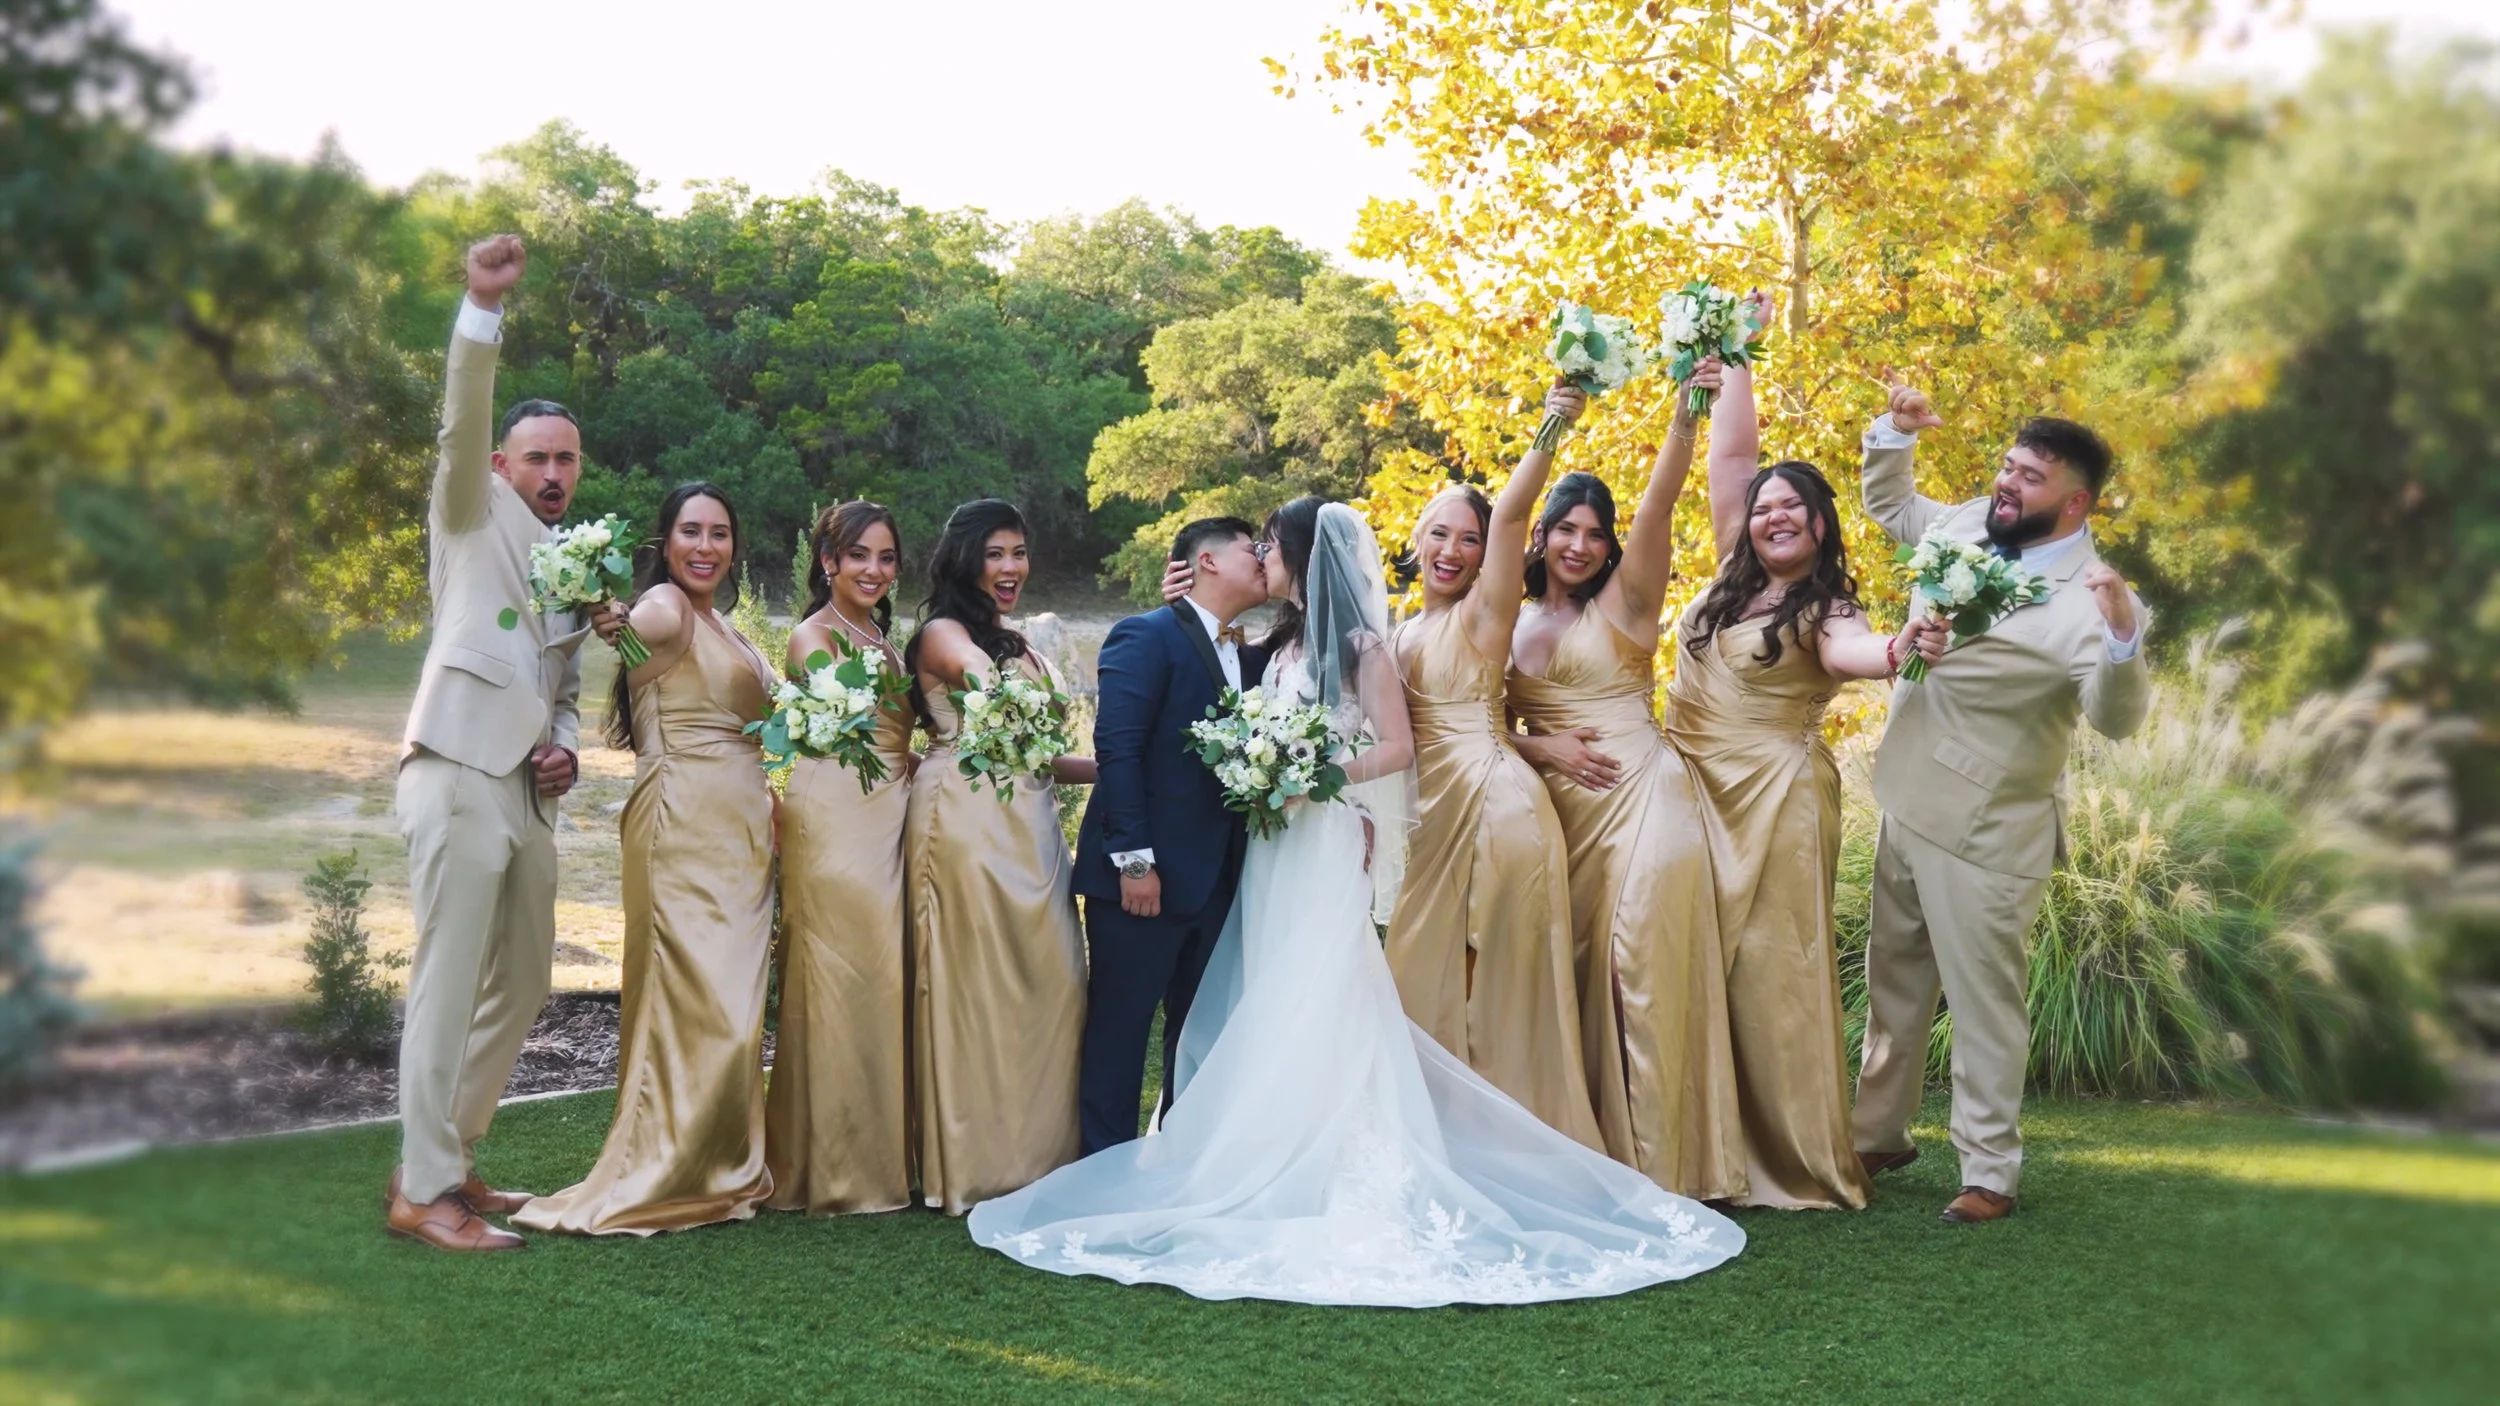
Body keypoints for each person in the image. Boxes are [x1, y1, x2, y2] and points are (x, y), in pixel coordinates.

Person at [966, 498, 1743, 1306]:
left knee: (1322, 987)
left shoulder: (1363, 645)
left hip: (1318, 836)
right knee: (1261, 990)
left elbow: (1399, 747)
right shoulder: (1271, 642)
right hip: (1267, 852)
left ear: (1299, 556)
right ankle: (1241, 1145)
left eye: (1267, 545)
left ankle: (1332, 1159)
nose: (1259, 556)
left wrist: (1312, 777)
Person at [1850, 383, 2151, 1225]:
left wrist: (2124, 634)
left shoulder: (2093, 599)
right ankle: (1878, 1133)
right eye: (2007, 467)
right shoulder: (1966, 526)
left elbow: (2117, 720)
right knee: (1894, 985)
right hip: (1903, 797)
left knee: (1984, 1005)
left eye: (2029, 478)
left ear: (2075, 502)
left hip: (1988, 827)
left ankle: (1989, 1170)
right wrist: (1895, 435)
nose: (2007, 485)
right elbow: (1894, 507)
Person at [1665, 344, 1945, 1210]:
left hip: (1776, 797)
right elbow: (1735, 460)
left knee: (1769, 970)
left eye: (1795, 509)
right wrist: (1738, 355)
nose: (1773, 517)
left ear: (1822, 524)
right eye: (1765, 510)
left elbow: (1855, 654)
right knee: (1680, 957)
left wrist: (1898, 650)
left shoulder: (1828, 607)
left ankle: (1782, 1156)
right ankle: (1692, 1143)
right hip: (1683, 791)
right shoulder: (1723, 570)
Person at [387, 234, 606, 1251]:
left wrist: (564, 748)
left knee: (521, 978)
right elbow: (462, 407)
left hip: (528, 793)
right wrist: (482, 305)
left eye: (566, 458)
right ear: (499, 465)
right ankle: (421, 1188)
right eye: (538, 457)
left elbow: (561, 686)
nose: (554, 473)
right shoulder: (469, 514)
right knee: (450, 971)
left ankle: (457, 1155)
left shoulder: (573, 557)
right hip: (458, 769)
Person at [1505, 368, 1746, 1202]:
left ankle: (1665, 1165)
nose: (1580, 544)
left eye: (1594, 533)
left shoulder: (1630, 603)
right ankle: (1593, 1152)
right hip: (1562, 816)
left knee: (1640, 958)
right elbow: (1463, 721)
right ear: (1539, 538)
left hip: (1646, 794)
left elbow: (1660, 503)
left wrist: (1687, 416)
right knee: (1581, 972)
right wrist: (1543, 752)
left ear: (1610, 546)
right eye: (1563, 529)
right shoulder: (1504, 616)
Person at [513, 483, 779, 1236]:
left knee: (731, 1004)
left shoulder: (723, 624)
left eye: (720, 533)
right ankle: (658, 1170)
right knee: (691, 995)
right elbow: (636, 638)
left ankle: (715, 1167)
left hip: (740, 826)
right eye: (690, 532)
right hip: (683, 820)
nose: (706, 546)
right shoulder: (664, 605)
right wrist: (615, 623)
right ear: (665, 544)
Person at [1380, 385, 1605, 1150]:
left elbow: (1513, 515)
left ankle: (1515, 1148)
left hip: (1496, 810)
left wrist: (1553, 423)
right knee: (1419, 983)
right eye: (1439, 533)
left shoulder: (1486, 612)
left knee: (1497, 989)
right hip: (1428, 820)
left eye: (1469, 539)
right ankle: (1439, 1143)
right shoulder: (1399, 629)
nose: (1452, 551)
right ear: (1415, 536)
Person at [904, 499, 1096, 1214]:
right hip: (967, 817)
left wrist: (1117, 767)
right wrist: (1000, 684)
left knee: (1053, 982)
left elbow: (1040, 756)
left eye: (1019, 552)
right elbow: (977, 678)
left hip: (1033, 821)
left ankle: (1043, 1158)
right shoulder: (943, 633)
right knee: (977, 986)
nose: (1011, 567)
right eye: (996, 554)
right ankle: (977, 1166)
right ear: (964, 559)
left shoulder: (1025, 644)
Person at [1072, 517, 1272, 1155]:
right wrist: (1134, 863)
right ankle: (1103, 1165)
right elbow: (1118, 750)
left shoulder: (1248, 651)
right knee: (1120, 1031)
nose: (1265, 559)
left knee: (1195, 1033)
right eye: (1253, 550)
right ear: (1207, 562)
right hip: (1143, 880)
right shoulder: (1145, 634)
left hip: (1216, 879)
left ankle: (1181, 1163)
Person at [764, 500, 916, 1215]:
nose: (874, 571)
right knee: (841, 977)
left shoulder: (879, 638)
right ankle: (833, 1166)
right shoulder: (812, 637)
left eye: (886, 558)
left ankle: (885, 1150)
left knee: (883, 979)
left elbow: (892, 737)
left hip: (889, 812)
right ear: (829, 562)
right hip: (836, 815)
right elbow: (841, 727)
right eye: (860, 556)